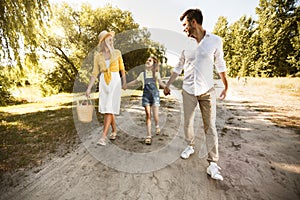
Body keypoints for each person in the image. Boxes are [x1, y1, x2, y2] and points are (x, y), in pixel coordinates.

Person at [163, 8, 228, 181]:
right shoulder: (185, 44)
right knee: (188, 123)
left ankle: (213, 163)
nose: (183, 28)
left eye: (185, 24)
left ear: (193, 23)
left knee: (210, 126)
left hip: (207, 91)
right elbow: (179, 66)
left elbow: (220, 63)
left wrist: (226, 85)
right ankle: (190, 145)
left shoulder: (215, 41)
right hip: (188, 90)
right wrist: (168, 84)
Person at [86, 30, 127, 146]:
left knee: (109, 108)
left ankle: (103, 137)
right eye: (108, 38)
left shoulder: (117, 53)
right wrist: (89, 88)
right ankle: (114, 130)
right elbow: (94, 73)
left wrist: (124, 82)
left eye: (111, 38)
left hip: (114, 81)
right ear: (103, 41)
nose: (111, 39)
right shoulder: (98, 56)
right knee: (107, 108)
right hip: (104, 81)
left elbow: (122, 69)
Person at [126, 56, 166, 145]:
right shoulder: (142, 74)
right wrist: (126, 85)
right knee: (148, 115)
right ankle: (148, 136)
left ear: (153, 64)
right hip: (146, 96)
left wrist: (166, 87)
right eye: (147, 59)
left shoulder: (156, 74)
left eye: (150, 60)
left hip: (155, 96)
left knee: (155, 115)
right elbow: (135, 82)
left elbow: (160, 83)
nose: (147, 61)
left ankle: (157, 125)